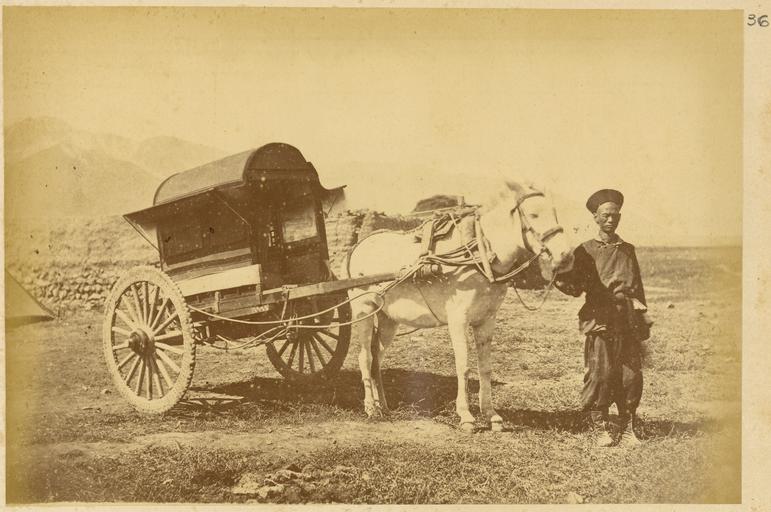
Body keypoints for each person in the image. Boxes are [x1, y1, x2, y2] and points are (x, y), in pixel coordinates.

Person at [554, 189, 651, 448]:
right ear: (595, 218)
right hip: (599, 320)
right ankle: (600, 427)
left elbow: (637, 287)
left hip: (627, 321)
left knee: (631, 377)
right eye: (605, 215)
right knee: (601, 374)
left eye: (615, 215)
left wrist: (642, 319)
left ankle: (628, 427)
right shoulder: (585, 250)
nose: (610, 219)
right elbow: (575, 287)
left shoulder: (628, 250)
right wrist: (558, 276)